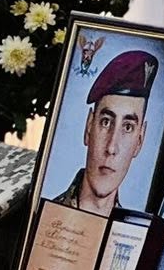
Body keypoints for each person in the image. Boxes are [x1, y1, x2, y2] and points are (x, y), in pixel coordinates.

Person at [51, 49, 157, 217]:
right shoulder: (46, 218)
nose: (111, 148)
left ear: (139, 141)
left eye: (127, 127)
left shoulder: (130, 230)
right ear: (89, 127)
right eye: (106, 122)